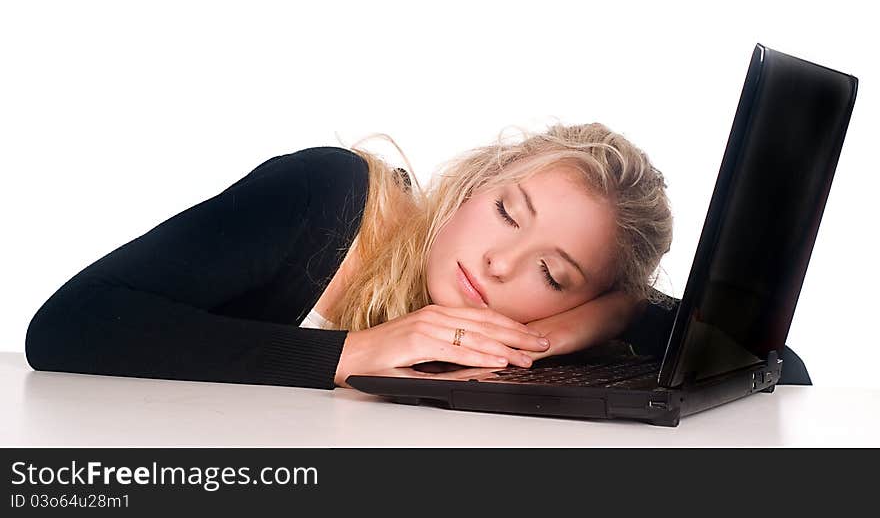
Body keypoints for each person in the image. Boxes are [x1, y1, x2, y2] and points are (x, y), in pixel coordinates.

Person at [24, 122, 809, 390]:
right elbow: (68, 326)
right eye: (508, 210)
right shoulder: (328, 195)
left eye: (553, 273)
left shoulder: (524, 341)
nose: (502, 263)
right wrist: (356, 350)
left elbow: (784, 369)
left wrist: (624, 312)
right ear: (478, 180)